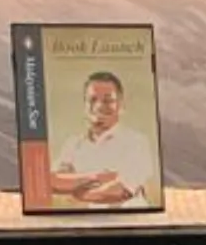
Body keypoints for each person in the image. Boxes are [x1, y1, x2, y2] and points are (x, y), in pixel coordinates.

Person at [47, 71, 157, 207]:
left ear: (121, 105)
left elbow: (121, 191)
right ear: (84, 105)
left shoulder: (137, 142)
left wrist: (76, 190)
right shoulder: (74, 144)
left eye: (108, 100)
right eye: (92, 99)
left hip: (129, 223)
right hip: (88, 223)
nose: (99, 106)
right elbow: (50, 182)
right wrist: (97, 177)